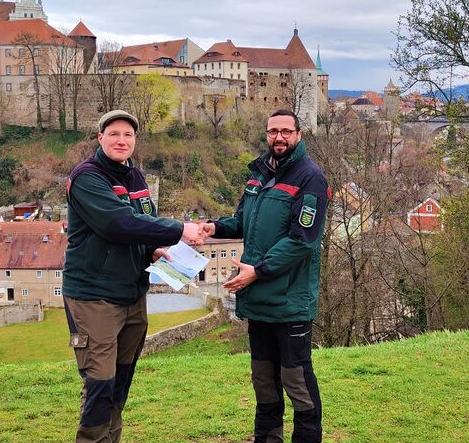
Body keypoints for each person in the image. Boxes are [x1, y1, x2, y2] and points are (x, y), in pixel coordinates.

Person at [64, 109, 203, 443]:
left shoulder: (135, 177)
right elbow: (117, 223)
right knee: (100, 381)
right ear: (100, 138)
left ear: (135, 141)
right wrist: (180, 230)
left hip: (131, 293)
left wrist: (152, 250)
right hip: (94, 295)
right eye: (114, 134)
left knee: (120, 380)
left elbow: (141, 226)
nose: (121, 140)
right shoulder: (87, 177)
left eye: (128, 135)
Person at [200, 109, 329, 443]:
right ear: (266, 134)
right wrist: (213, 227)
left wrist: (257, 271)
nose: (279, 137)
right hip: (258, 298)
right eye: (273, 131)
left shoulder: (310, 178)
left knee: (296, 381)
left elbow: (302, 240)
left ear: (299, 134)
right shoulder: (258, 175)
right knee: (263, 382)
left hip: (289, 299)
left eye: (286, 131)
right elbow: (243, 221)